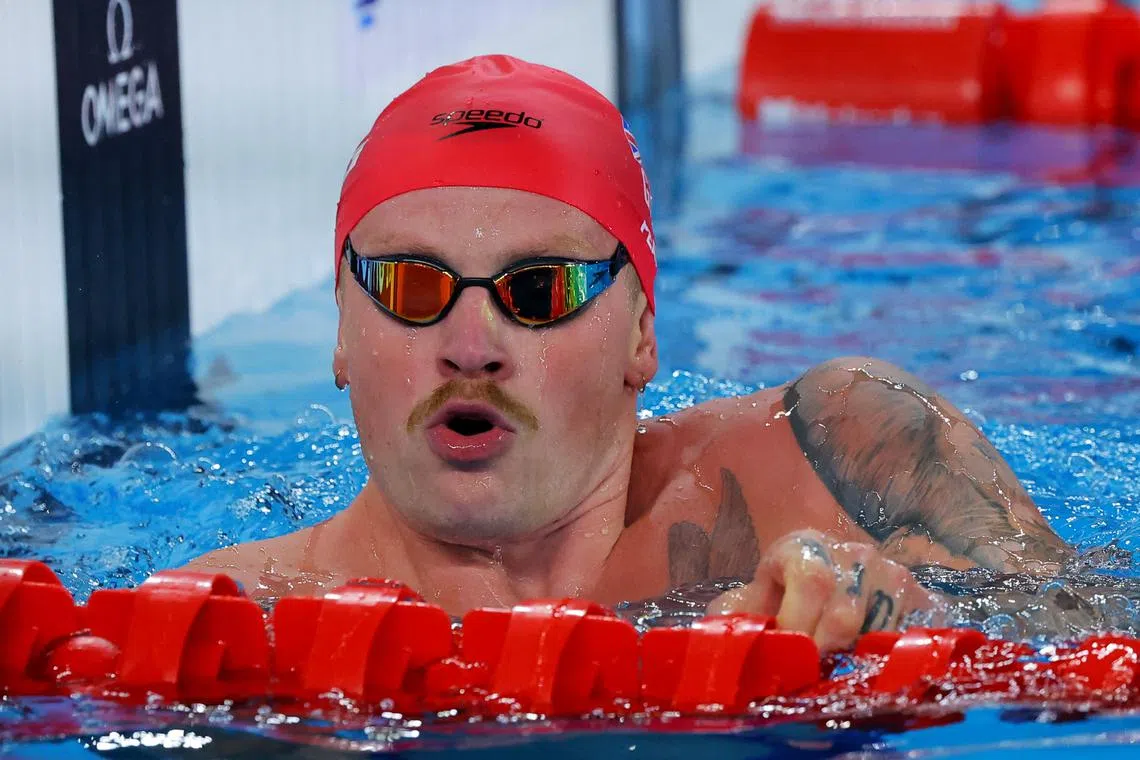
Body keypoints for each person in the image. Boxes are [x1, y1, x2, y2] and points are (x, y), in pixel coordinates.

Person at [185, 54, 1073, 651]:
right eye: (415, 288)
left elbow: (1092, 648)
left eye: (538, 291)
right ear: (342, 327)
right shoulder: (231, 619)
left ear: (643, 332)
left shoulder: (845, 453)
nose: (469, 347)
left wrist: (917, 622)